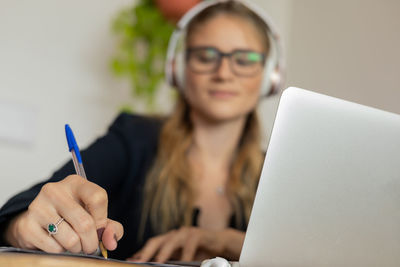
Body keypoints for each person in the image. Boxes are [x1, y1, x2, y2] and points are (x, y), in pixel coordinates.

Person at [0, 0, 283, 262]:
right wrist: (21, 227)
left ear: (270, 75)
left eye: (244, 60)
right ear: (178, 69)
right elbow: (16, 213)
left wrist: (231, 242)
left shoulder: (279, 174)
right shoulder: (134, 139)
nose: (223, 73)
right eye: (206, 55)